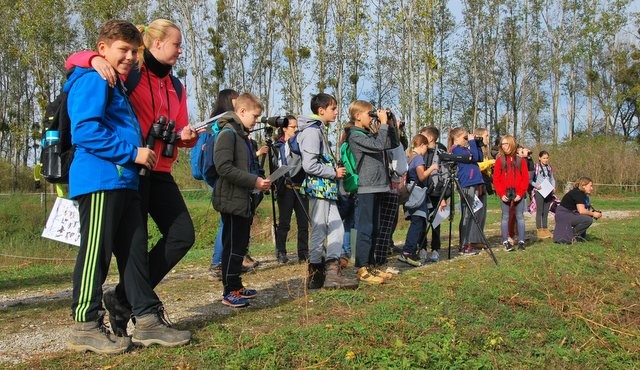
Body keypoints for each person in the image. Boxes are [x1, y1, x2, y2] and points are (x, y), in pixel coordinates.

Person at [65, 20, 190, 354]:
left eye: (134, 51)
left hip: (125, 180)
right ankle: (85, 324)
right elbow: (85, 131)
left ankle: (147, 320)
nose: (130, 57)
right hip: (100, 178)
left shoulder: (116, 82)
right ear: (102, 49)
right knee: (97, 253)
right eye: (123, 50)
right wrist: (133, 152)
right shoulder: (95, 77)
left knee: (135, 253)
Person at [212, 93, 271, 308]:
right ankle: (229, 291)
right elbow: (223, 167)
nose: (256, 121)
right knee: (232, 246)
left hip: (242, 198)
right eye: (254, 116)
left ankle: (236, 285)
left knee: (240, 244)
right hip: (231, 199)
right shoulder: (228, 134)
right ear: (242, 112)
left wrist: (260, 180)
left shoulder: (241, 136)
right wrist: (254, 181)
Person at [297, 93, 358, 289]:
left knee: (337, 228)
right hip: (319, 189)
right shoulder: (312, 132)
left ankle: (332, 273)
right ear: (321, 110)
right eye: (333, 108)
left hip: (327, 190)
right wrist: (333, 172)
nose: (337, 112)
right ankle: (316, 276)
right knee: (319, 229)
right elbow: (309, 165)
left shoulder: (318, 130)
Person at [347, 100, 394, 284]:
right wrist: (382, 124)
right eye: (370, 114)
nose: (372, 117)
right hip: (367, 186)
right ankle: (361, 267)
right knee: (365, 228)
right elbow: (378, 145)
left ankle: (372, 265)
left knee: (375, 227)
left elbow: (390, 143)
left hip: (379, 184)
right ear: (358, 116)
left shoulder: (370, 133)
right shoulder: (355, 135)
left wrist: (389, 123)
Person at [205, 89, 239, 281]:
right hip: (221, 176)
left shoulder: (214, 123)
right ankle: (218, 264)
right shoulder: (221, 125)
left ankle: (226, 261)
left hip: (217, 175)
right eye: (235, 100)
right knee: (226, 221)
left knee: (228, 220)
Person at [273, 115, 309, 264]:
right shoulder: (278, 146)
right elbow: (277, 167)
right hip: (286, 188)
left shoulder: (302, 144)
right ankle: (281, 252)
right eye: (293, 127)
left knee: (303, 222)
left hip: (302, 188)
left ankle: (303, 253)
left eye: (297, 127)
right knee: (284, 222)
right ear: (285, 128)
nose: (296, 129)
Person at [398, 135, 438, 267]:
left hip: (409, 193)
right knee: (418, 222)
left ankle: (409, 250)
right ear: (423, 145)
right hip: (417, 194)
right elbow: (421, 176)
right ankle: (408, 251)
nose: (427, 150)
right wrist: (432, 168)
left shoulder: (409, 157)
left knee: (417, 221)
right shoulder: (419, 158)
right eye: (426, 147)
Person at [448, 127, 486, 255]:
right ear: (456, 138)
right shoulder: (456, 150)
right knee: (467, 214)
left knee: (471, 214)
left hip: (473, 183)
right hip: (466, 183)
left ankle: (467, 243)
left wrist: (478, 144)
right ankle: (463, 245)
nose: (466, 140)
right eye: (464, 138)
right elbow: (473, 157)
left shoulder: (464, 149)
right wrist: (471, 142)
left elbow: (479, 157)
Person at [493, 135, 530, 251]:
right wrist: (501, 193)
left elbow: (525, 178)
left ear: (511, 144)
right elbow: (496, 179)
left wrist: (520, 193)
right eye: (502, 144)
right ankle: (505, 241)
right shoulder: (500, 160)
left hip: (518, 193)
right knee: (505, 217)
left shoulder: (521, 160)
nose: (504, 147)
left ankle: (521, 241)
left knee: (520, 217)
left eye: (506, 144)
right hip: (505, 193)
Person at [418, 126, 448, 262]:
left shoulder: (441, 152)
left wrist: (444, 196)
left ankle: (435, 249)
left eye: (422, 134)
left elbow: (446, 176)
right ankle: (422, 248)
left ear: (430, 138)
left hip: (437, 193)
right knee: (421, 221)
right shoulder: (420, 151)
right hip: (422, 192)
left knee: (436, 222)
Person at [553, 177, 602, 243]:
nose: (592, 188)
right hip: (564, 215)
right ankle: (572, 235)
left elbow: (583, 210)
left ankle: (577, 237)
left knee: (586, 218)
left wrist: (592, 212)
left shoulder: (580, 193)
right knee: (588, 219)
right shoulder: (578, 194)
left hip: (568, 214)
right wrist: (594, 214)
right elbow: (582, 211)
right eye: (590, 186)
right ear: (584, 185)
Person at [531, 150, 556, 239]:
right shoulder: (536, 167)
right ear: (539, 158)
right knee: (540, 211)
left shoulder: (549, 167)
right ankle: (539, 229)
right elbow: (530, 180)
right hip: (539, 191)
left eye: (547, 158)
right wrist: (536, 186)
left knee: (546, 211)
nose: (546, 160)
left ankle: (545, 228)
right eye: (544, 158)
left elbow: (552, 179)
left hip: (548, 191)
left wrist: (553, 187)